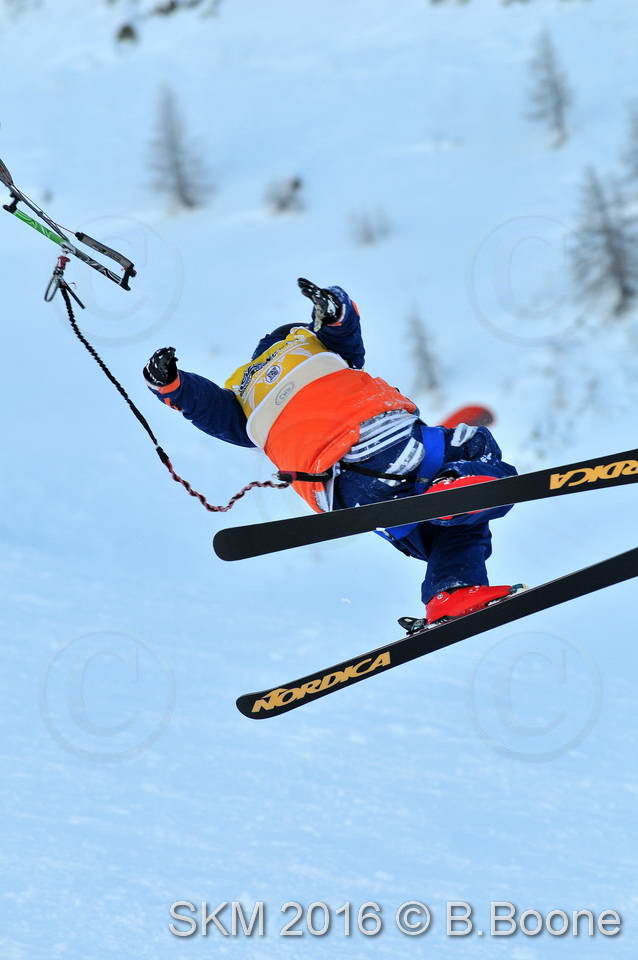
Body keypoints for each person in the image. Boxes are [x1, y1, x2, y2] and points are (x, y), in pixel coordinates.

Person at [143, 278, 518, 628]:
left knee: (454, 530)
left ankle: (451, 592)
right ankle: (453, 487)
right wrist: (335, 310)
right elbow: (344, 333)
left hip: (340, 494)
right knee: (475, 444)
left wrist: (173, 385)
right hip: (383, 443)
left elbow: (209, 408)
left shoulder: (243, 398)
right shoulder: (317, 349)